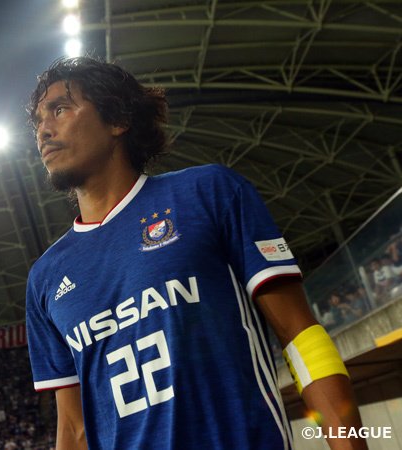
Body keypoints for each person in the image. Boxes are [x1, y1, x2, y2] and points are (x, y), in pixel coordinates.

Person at [25, 57, 366, 450]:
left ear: (117, 119)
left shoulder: (209, 192)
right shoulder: (46, 278)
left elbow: (300, 335)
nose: (43, 131)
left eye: (60, 109)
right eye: (38, 121)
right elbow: (74, 429)